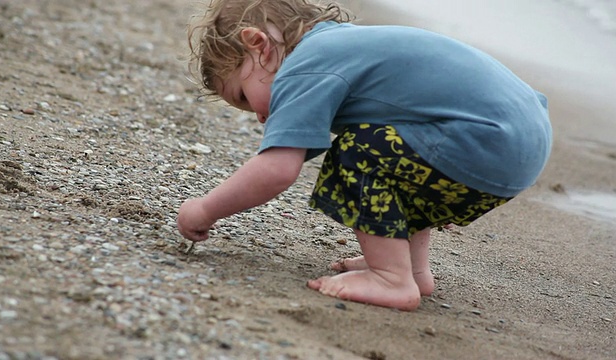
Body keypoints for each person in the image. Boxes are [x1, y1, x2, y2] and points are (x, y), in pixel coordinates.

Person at [178, 0, 552, 311]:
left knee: (358, 150)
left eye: (244, 96)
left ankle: (391, 278)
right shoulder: (343, 48)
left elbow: (277, 169)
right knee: (395, 154)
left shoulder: (305, 65)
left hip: (481, 140)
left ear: (259, 45)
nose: (260, 116)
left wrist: (205, 209)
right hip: (518, 144)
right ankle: (413, 271)